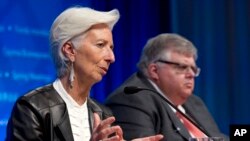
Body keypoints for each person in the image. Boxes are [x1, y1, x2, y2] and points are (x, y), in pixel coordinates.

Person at [6, 6, 164, 141]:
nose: (111, 58)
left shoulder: (103, 113)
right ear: (69, 50)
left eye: (111, 48)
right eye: (101, 45)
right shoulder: (32, 108)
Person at [105, 33, 229, 141]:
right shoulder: (131, 100)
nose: (191, 74)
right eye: (181, 67)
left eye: (193, 68)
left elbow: (217, 137)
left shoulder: (194, 103)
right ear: (154, 70)